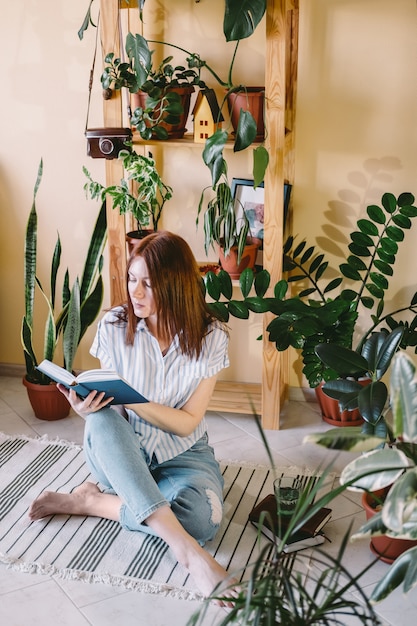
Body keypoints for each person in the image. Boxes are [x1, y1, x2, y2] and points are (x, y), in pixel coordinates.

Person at [29, 231, 235, 603]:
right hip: (122, 451)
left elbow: (189, 422)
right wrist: (84, 407)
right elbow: (113, 411)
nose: (136, 293)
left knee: (202, 521)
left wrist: (135, 399)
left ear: (176, 285)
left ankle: (91, 503)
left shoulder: (211, 336)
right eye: (132, 279)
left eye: (149, 284)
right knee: (102, 420)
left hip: (185, 453)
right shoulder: (114, 324)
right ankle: (190, 556)